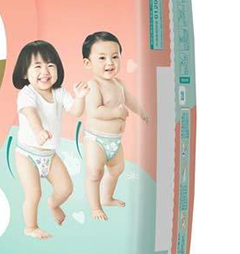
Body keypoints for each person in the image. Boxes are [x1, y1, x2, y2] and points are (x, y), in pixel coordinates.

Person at [13, 40, 89, 239]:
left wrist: (80, 97)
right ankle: (31, 227)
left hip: (49, 155)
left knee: (66, 188)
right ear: (24, 73)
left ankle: (54, 204)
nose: (45, 71)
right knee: (33, 193)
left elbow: (76, 111)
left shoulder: (59, 92)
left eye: (50, 65)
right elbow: (30, 113)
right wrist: (39, 131)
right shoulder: (27, 93)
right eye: (37, 66)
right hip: (27, 155)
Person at [81, 32, 148, 221]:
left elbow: (130, 100)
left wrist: (142, 112)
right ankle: (95, 207)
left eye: (115, 56)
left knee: (117, 169)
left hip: (115, 140)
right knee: (95, 173)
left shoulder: (118, 83)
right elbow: (94, 111)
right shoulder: (93, 85)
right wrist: (116, 113)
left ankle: (107, 197)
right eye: (102, 58)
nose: (110, 63)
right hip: (96, 139)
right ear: (88, 63)